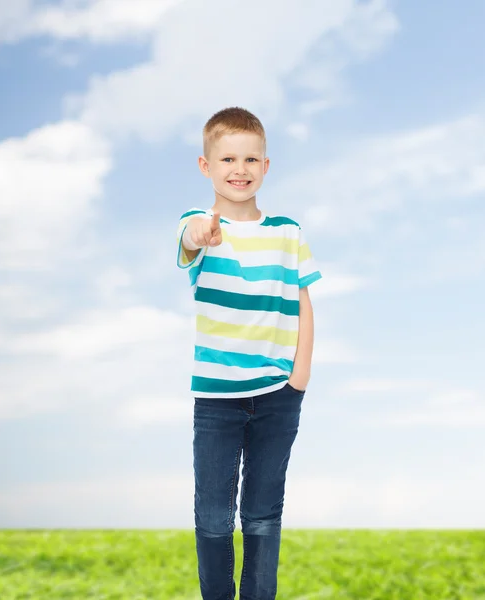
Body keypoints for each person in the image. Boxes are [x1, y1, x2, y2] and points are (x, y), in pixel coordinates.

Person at [175, 106, 322, 600]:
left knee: (262, 515)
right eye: (228, 159)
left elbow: (303, 301)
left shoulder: (288, 231)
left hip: (279, 394)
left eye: (251, 159)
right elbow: (191, 240)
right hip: (217, 399)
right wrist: (201, 235)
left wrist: (298, 378)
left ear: (266, 166)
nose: (240, 169)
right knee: (214, 517)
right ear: (206, 166)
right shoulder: (198, 225)